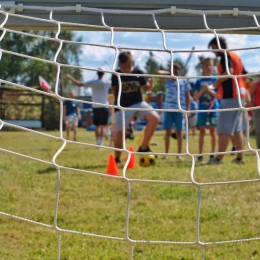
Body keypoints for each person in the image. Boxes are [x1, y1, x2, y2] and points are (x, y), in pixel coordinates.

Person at [111, 51, 159, 164]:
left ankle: (143, 147)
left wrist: (151, 83)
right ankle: (117, 158)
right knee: (120, 133)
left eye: (129, 66)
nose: (127, 69)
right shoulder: (116, 74)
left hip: (138, 102)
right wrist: (116, 103)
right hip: (122, 106)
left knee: (154, 118)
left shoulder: (138, 73)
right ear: (119, 65)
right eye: (124, 67)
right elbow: (113, 89)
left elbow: (146, 89)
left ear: (132, 63)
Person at [208, 36, 247, 164]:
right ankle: (240, 158)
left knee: (225, 127)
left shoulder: (225, 55)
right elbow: (245, 75)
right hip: (240, 95)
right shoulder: (236, 56)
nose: (213, 51)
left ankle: (218, 158)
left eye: (213, 48)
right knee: (237, 129)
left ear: (219, 46)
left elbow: (228, 72)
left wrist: (215, 84)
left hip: (231, 96)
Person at [66, 68, 110, 146]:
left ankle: (97, 142)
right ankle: (101, 143)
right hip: (104, 106)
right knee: (103, 126)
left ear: (97, 73)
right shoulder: (107, 82)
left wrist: (70, 78)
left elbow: (79, 84)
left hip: (96, 106)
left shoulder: (93, 82)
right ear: (104, 74)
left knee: (97, 126)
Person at [157, 63, 191, 161]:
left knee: (179, 132)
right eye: (174, 70)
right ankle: (166, 154)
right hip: (168, 109)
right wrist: (170, 73)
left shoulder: (184, 82)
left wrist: (187, 110)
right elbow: (159, 73)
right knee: (167, 132)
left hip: (180, 110)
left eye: (177, 71)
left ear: (180, 72)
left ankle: (179, 154)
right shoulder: (167, 81)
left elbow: (188, 97)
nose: (176, 72)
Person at [193, 58, 219, 164]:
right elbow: (195, 97)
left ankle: (212, 154)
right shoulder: (199, 81)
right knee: (202, 131)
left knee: (213, 131)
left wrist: (209, 90)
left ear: (213, 67)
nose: (208, 67)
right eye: (206, 65)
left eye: (210, 65)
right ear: (202, 67)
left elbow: (218, 95)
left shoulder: (216, 80)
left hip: (213, 109)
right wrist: (202, 90)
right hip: (202, 109)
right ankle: (200, 154)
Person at [250, 78, 260, 149]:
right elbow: (250, 96)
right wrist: (253, 106)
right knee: (259, 130)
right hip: (257, 110)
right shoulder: (256, 85)